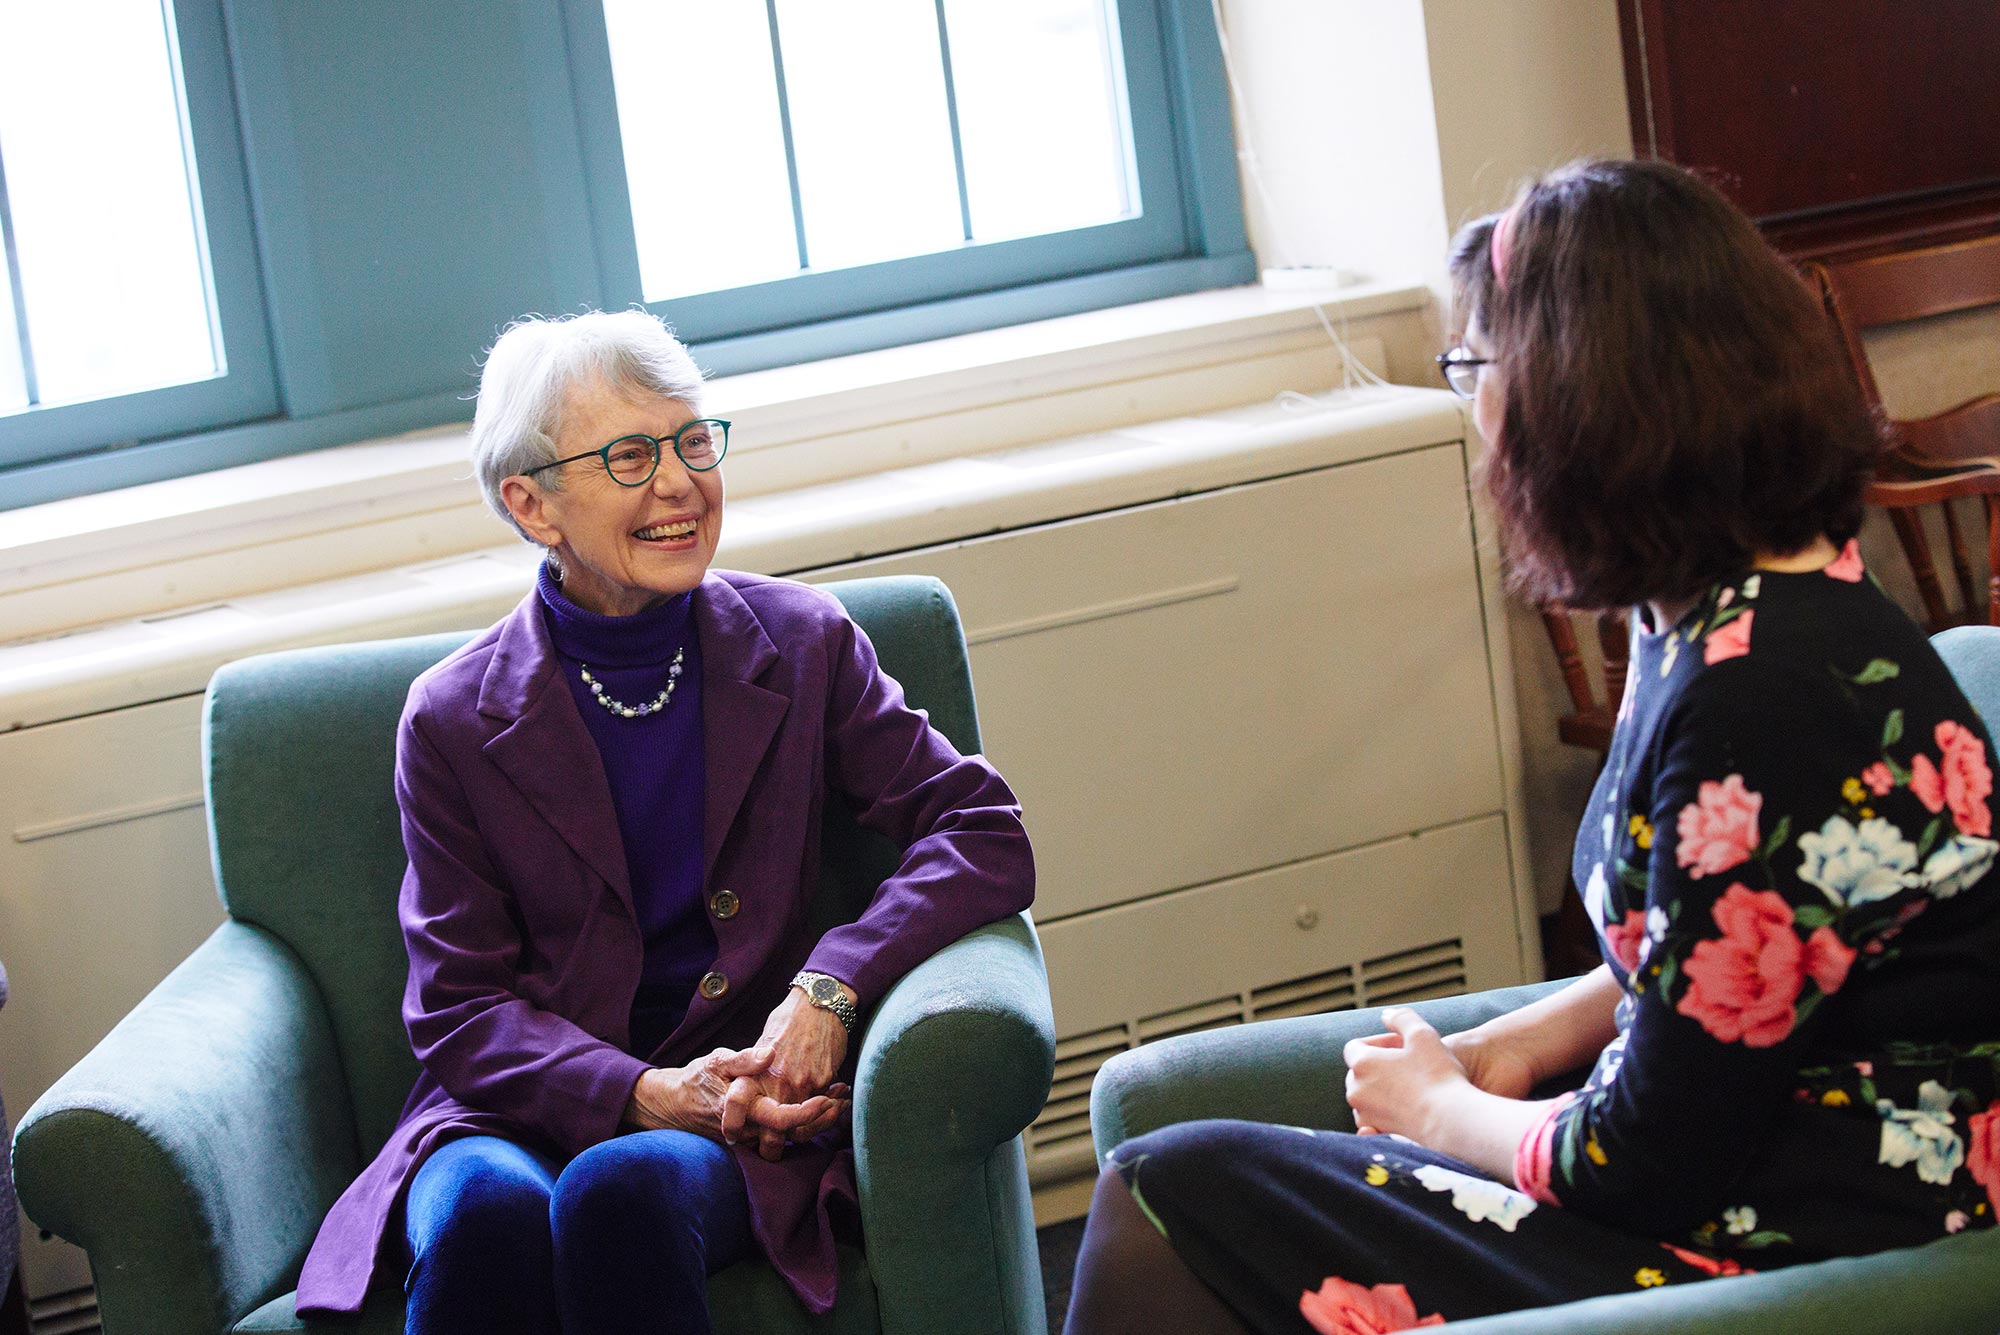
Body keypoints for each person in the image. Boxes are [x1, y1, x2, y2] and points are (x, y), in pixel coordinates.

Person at [1061, 158, 2000, 1333]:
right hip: (1760, 1167)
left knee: (1173, 1188)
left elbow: (1647, 1163)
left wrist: (1437, 1107)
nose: (1475, 412)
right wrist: (1505, 1043)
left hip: (1816, 1236)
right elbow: (1712, 956)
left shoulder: (1760, 697)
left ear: (1575, 401)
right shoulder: (1728, 612)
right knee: (1180, 1181)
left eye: (1473, 368)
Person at [293, 309, 1035, 1333]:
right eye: (632, 456)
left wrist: (829, 986)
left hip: (733, 1108)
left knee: (621, 1193)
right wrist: (640, 1090)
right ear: (531, 503)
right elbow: (460, 1007)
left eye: (693, 441)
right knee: (482, 1217)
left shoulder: (803, 642)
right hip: (512, 1109)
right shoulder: (453, 717)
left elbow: (981, 828)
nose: (681, 482)